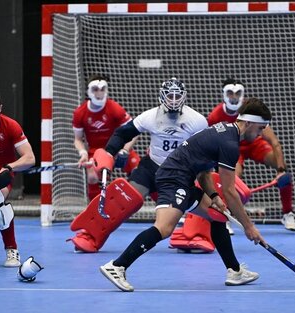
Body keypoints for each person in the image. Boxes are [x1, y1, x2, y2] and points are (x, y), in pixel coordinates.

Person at [99, 97, 270, 292]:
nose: (261, 134)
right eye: (260, 128)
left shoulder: (225, 131)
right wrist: (249, 227)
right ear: (247, 123)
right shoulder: (230, 144)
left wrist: (213, 196)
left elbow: (204, 172)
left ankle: (235, 271)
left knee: (218, 216)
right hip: (173, 178)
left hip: (185, 178)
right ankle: (117, 266)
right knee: (164, 228)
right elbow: (230, 192)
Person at [69, 77, 209, 253]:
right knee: (123, 199)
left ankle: (195, 236)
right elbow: (122, 133)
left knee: (199, 206)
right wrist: (109, 153)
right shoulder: (150, 116)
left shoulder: (197, 121)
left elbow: (207, 149)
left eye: (177, 96)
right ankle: (90, 235)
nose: (173, 100)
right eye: (169, 96)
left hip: (178, 173)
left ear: (184, 97)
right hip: (151, 167)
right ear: (161, 97)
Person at [207, 78, 295, 231]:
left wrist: (281, 171)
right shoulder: (215, 117)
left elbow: (274, 142)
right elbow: (211, 145)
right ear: (224, 94)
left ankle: (288, 213)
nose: (234, 97)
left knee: (282, 167)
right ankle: (225, 216)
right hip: (232, 147)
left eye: (237, 93)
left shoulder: (252, 111)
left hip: (254, 143)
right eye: (230, 93)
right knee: (232, 177)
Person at [0, 89, 35, 266]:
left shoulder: (10, 126)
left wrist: (9, 167)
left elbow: (30, 158)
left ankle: (12, 250)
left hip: (0, 175)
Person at [72, 74, 140, 201]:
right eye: (95, 89)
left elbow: (134, 132)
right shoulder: (79, 113)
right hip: (96, 152)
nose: (99, 93)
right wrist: (83, 153)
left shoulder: (114, 108)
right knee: (91, 176)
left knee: (139, 171)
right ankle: (95, 211)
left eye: (103, 89)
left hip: (117, 148)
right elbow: (77, 139)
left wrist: (124, 150)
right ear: (89, 91)